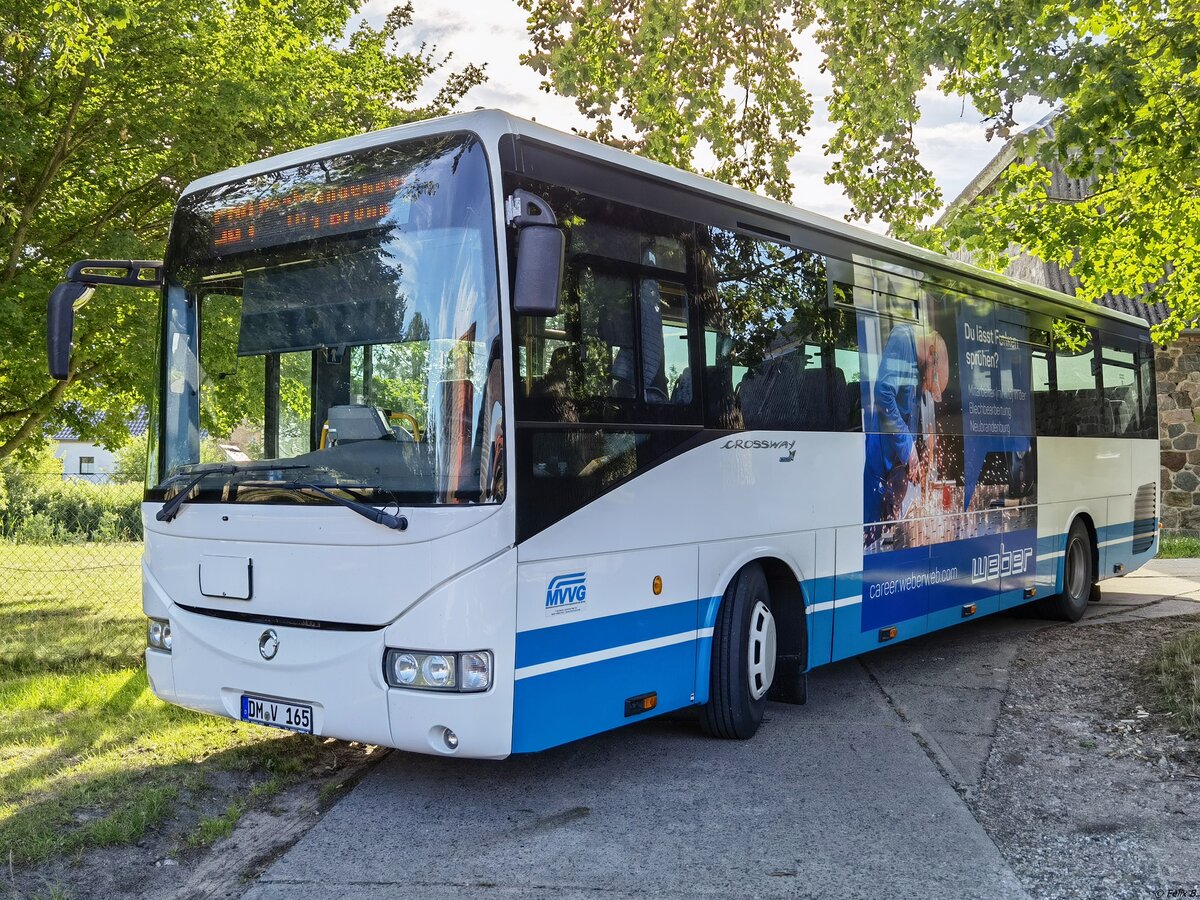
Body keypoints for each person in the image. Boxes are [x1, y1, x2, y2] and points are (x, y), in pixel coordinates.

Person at [863, 323, 949, 547]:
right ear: (931, 354)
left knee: (889, 540)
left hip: (893, 474)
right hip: (880, 471)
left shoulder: (918, 363)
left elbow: (908, 414)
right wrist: (908, 449)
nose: (927, 387)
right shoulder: (903, 340)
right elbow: (883, 394)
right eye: (931, 381)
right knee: (872, 543)